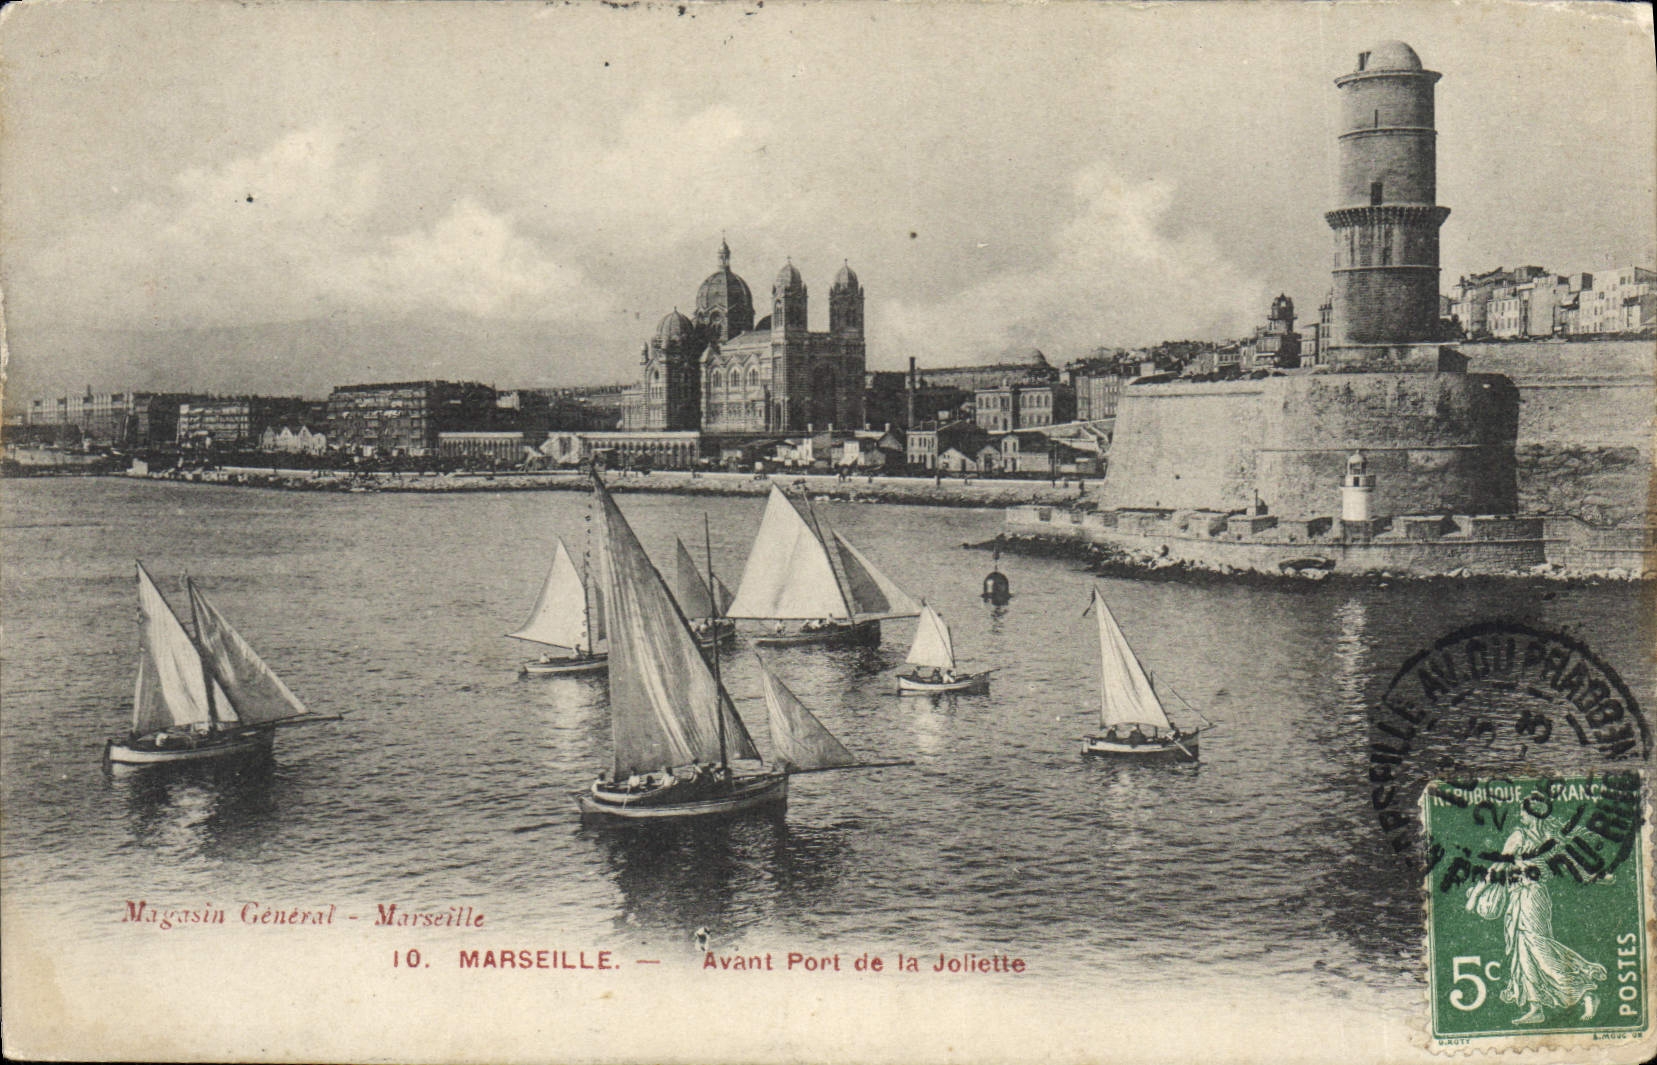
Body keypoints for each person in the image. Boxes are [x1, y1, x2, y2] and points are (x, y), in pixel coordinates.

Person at [1467, 793, 1606, 1023]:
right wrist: (1596, 876)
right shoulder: (1550, 836)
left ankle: (1585, 990)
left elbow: (1497, 866)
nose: (1520, 815)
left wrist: (1476, 895)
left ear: (1532, 813)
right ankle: (1536, 1008)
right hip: (1530, 896)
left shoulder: (1519, 836)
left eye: (1523, 811)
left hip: (1528, 897)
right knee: (1524, 951)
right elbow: (1572, 863)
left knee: (1538, 948)